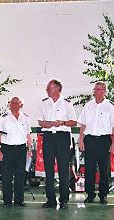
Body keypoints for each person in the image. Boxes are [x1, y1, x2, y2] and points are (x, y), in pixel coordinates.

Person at [78, 81, 114, 204]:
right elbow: (83, 124)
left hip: (104, 140)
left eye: (99, 89)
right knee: (89, 169)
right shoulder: (88, 105)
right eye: (95, 89)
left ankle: (103, 194)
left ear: (104, 91)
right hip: (89, 140)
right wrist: (81, 140)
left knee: (103, 169)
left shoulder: (110, 106)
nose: (96, 91)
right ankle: (90, 194)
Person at [39, 79, 77, 209]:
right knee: (48, 169)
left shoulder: (67, 103)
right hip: (49, 137)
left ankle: (64, 199)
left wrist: (62, 123)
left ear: (57, 89)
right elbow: (40, 121)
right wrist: (47, 124)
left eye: (49, 87)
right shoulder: (44, 103)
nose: (47, 89)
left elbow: (74, 122)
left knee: (63, 170)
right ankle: (50, 199)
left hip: (62, 137)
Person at [0, 96, 32, 207]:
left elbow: (28, 135)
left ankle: (19, 200)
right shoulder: (4, 117)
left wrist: (29, 149)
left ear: (21, 104)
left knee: (20, 176)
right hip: (7, 149)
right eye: (12, 102)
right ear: (9, 104)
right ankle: (7, 201)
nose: (14, 104)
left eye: (17, 102)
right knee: (7, 176)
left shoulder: (25, 117)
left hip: (21, 149)